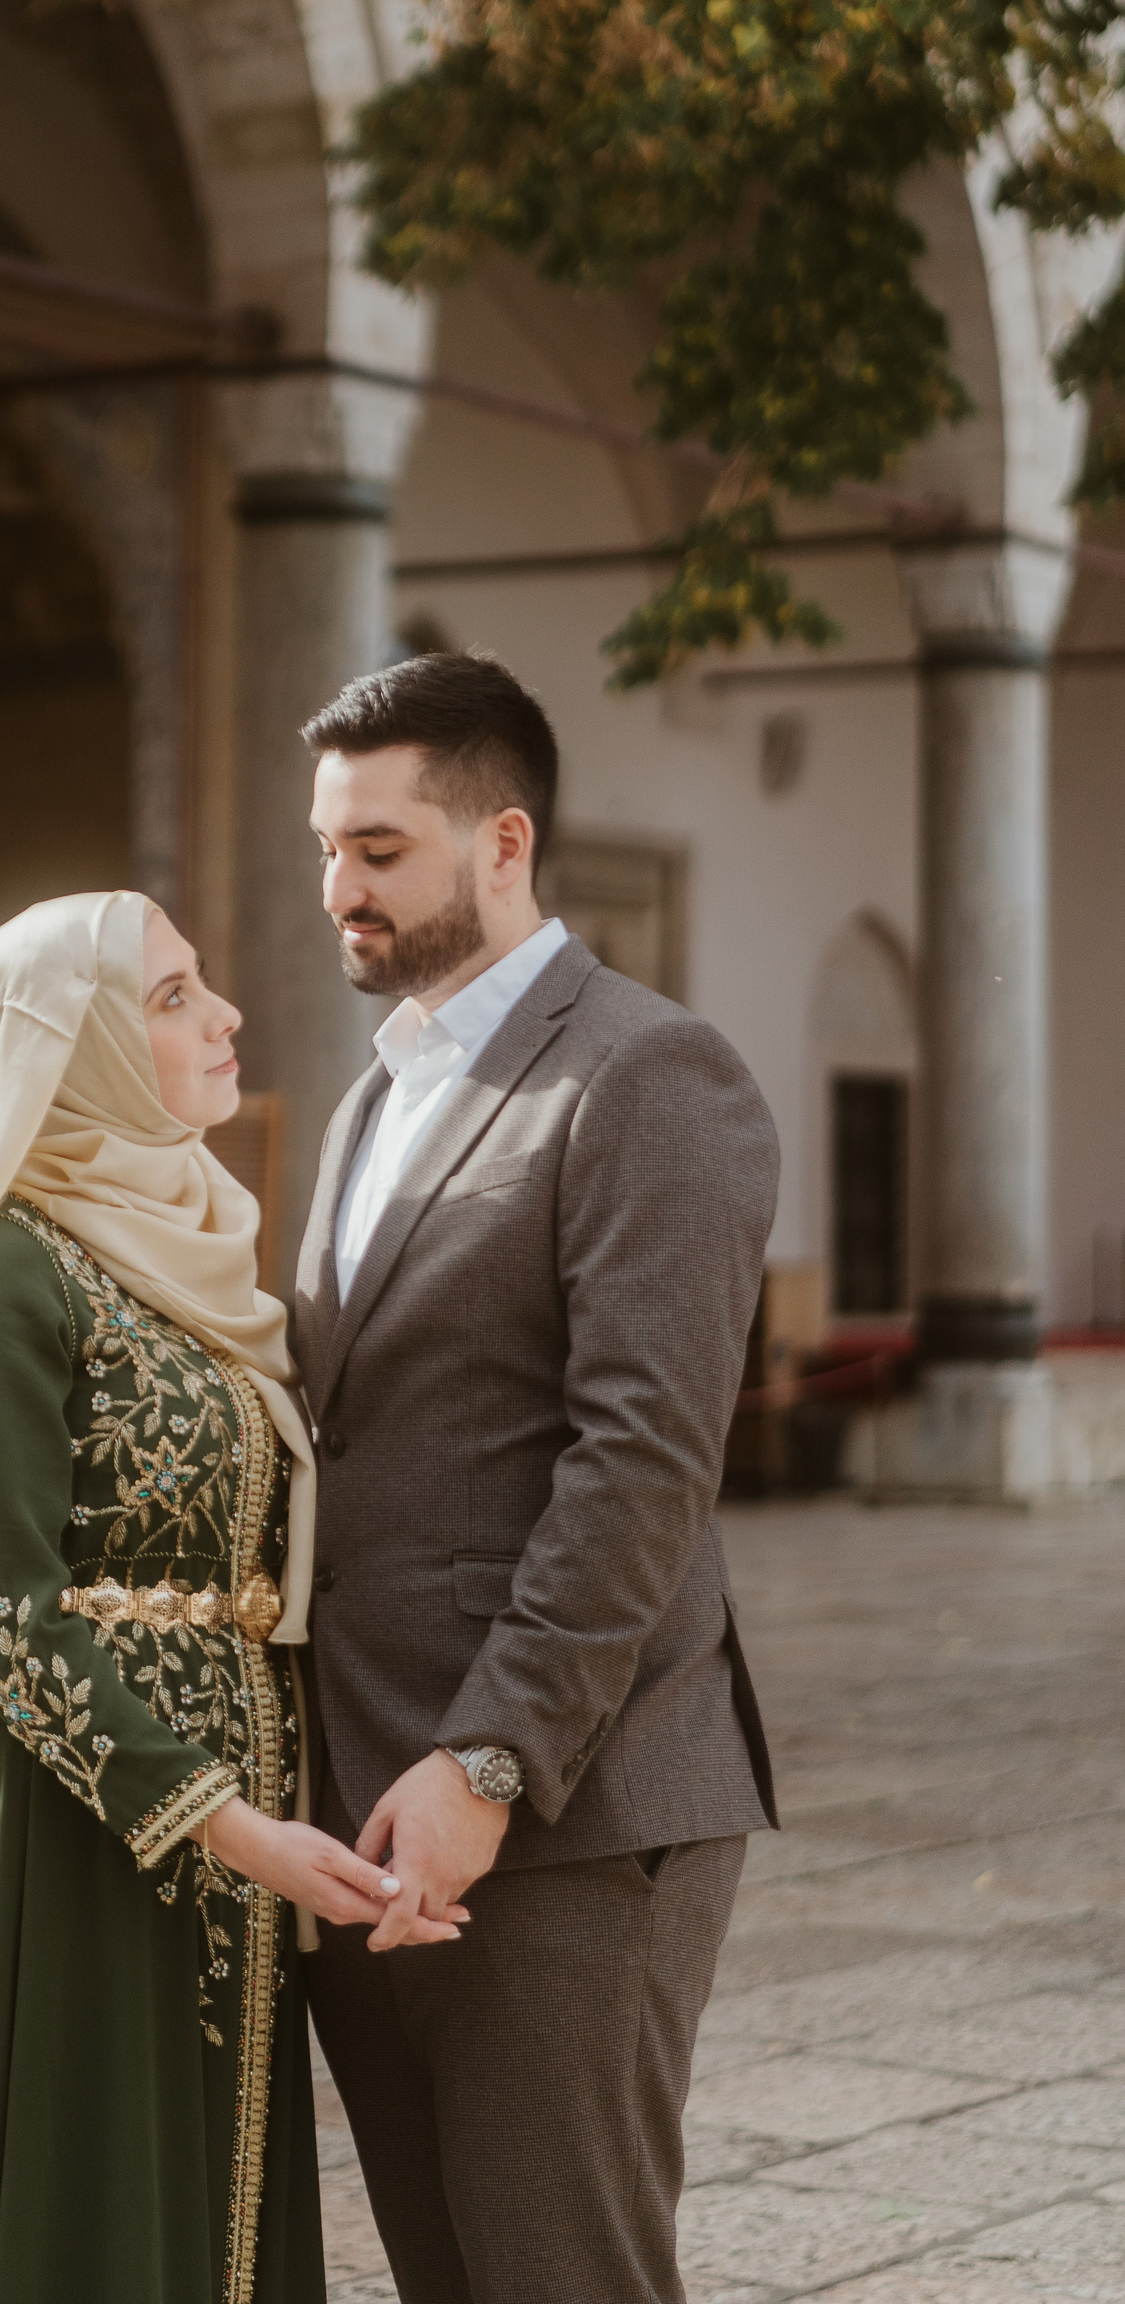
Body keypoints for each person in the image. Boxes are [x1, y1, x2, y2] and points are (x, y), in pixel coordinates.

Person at [0, 889, 441, 2304]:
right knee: (83, 2210)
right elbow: (11, 1618)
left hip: (237, 1820)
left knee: (208, 2208)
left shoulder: (202, 1253)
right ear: (70, 1049)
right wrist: (231, 1825)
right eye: (170, 996)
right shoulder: (3, 1277)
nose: (225, 1014)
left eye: (203, 983)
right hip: (64, 1826)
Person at [292, 651, 782, 2304]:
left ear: (504, 843)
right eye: (328, 849)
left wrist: (488, 1762)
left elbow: (644, 1456)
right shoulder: (373, 1098)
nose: (339, 890)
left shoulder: (650, 1072)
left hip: (567, 1822)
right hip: (368, 1826)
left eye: (380, 850)